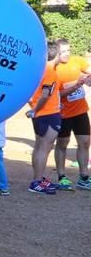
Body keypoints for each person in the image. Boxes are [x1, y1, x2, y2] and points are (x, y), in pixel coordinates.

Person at [52, 39, 91, 189]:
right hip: (63, 114)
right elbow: (58, 94)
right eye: (63, 52)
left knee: (85, 143)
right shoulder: (53, 69)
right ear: (57, 52)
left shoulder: (77, 61)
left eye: (68, 50)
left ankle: (84, 177)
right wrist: (77, 85)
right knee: (62, 144)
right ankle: (62, 176)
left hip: (80, 111)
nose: (66, 54)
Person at [26, 41, 62, 195]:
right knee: (44, 147)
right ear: (57, 55)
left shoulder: (39, 69)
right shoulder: (50, 72)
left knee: (40, 146)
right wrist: (36, 110)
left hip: (43, 113)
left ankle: (38, 179)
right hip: (47, 114)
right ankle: (36, 181)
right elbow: (46, 94)